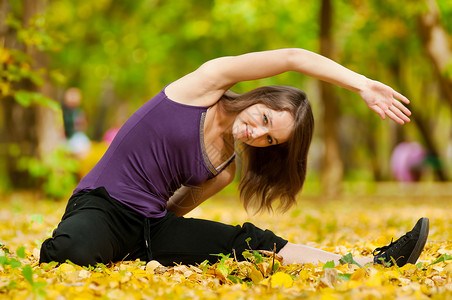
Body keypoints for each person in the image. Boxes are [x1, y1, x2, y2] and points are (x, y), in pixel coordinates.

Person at [40, 48, 429, 268]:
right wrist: (361, 84)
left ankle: (364, 264)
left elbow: (173, 213)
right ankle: (107, 246)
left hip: (149, 226)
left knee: (249, 241)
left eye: (268, 139)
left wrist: (171, 243)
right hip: (101, 205)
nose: (256, 134)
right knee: (69, 253)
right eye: (263, 119)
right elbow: (292, 57)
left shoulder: (223, 168)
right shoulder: (204, 86)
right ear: (260, 97)